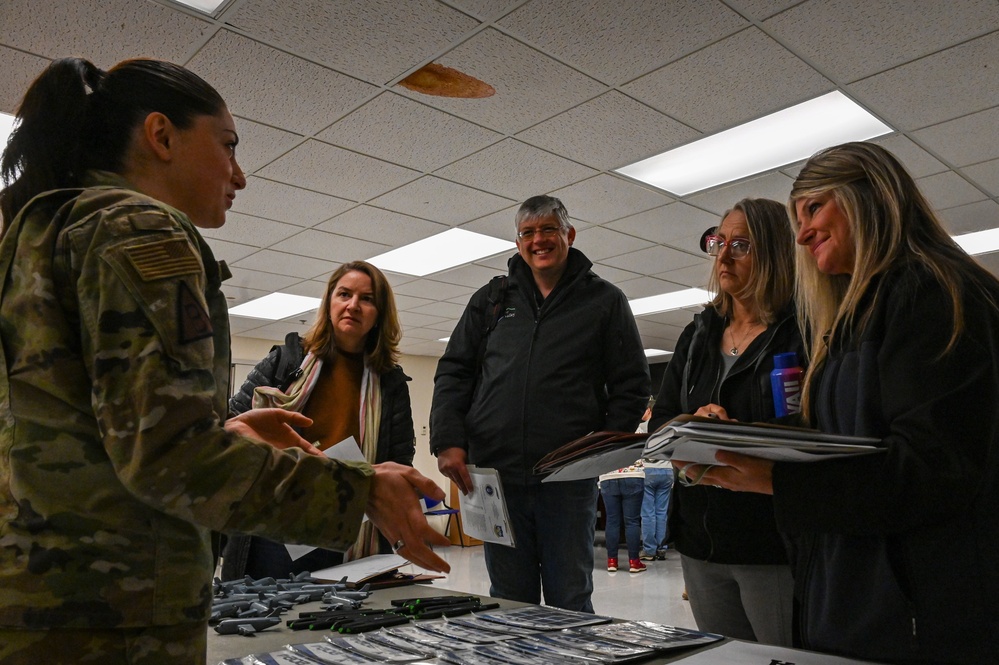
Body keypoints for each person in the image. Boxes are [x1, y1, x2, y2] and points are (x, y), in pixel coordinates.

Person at [0, 57, 448, 664]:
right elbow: (167, 459)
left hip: (42, 595)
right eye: (228, 146)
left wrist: (229, 431)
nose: (239, 176)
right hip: (113, 610)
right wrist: (360, 491)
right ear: (162, 136)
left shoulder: (40, 232)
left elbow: (79, 429)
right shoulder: (141, 229)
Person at [684, 142, 999, 664]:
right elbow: (853, 441)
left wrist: (774, 478)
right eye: (796, 216)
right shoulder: (856, 312)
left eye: (814, 208)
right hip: (863, 595)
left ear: (869, 197)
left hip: (924, 610)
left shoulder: (933, 294)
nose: (802, 232)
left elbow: (931, 470)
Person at [431, 194, 650, 612]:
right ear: (518, 244)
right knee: (510, 600)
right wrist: (447, 441)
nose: (539, 240)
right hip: (496, 477)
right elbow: (454, 372)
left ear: (568, 234)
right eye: (527, 233)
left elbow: (632, 384)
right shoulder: (491, 299)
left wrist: (599, 450)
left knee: (570, 595)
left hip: (567, 482)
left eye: (548, 229)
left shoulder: (604, 301)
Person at [648, 198, 801, 646]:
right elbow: (660, 423)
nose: (723, 256)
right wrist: (692, 423)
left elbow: (815, 428)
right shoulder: (698, 334)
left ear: (774, 253)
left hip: (770, 545)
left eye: (741, 245)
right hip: (700, 543)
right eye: (719, 242)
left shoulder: (802, 330)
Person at [221, 261, 416, 580]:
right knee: (274, 621)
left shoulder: (389, 383)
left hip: (350, 522)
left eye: (367, 299)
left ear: (380, 312)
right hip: (277, 523)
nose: (353, 305)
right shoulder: (286, 361)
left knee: (342, 621)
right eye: (344, 294)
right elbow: (232, 423)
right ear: (329, 303)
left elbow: (397, 460)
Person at [598, 461, 647, 573]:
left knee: (612, 520)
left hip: (608, 475)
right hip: (633, 474)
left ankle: (612, 561)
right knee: (632, 521)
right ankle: (634, 562)